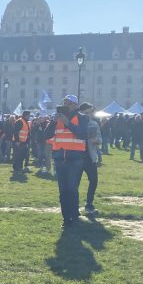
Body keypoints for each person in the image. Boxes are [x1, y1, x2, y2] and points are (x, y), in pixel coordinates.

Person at [51, 95, 89, 228]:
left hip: (75, 158)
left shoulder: (82, 118)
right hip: (60, 157)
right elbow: (47, 135)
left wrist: (67, 122)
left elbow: (82, 134)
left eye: (68, 103)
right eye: (63, 103)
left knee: (72, 189)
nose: (65, 105)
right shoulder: (57, 119)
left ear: (75, 105)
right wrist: (53, 122)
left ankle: (74, 214)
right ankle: (66, 218)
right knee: (63, 190)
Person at [78, 102, 100, 215]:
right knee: (74, 183)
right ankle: (74, 206)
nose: (90, 114)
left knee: (94, 181)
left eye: (91, 112)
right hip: (76, 157)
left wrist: (95, 141)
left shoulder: (94, 124)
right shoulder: (76, 123)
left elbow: (99, 140)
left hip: (89, 156)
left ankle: (89, 204)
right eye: (88, 112)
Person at [12, 110, 31, 175]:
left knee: (22, 156)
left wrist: (27, 142)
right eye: (29, 115)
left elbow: (27, 133)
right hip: (18, 142)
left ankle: (20, 168)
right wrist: (17, 141)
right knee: (17, 157)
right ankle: (16, 169)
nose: (29, 117)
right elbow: (15, 131)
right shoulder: (20, 121)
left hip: (23, 142)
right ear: (26, 115)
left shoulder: (25, 121)